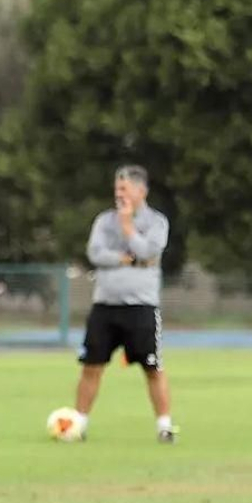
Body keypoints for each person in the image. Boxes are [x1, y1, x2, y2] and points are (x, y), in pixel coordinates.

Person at [73, 165, 174, 442]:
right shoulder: (104, 221)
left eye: (124, 188)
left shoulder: (157, 222)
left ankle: (164, 426)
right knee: (91, 366)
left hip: (141, 307)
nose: (119, 194)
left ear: (141, 191)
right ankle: (78, 424)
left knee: (152, 368)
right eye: (117, 188)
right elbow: (96, 253)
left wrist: (129, 228)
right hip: (105, 305)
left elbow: (149, 251)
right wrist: (126, 258)